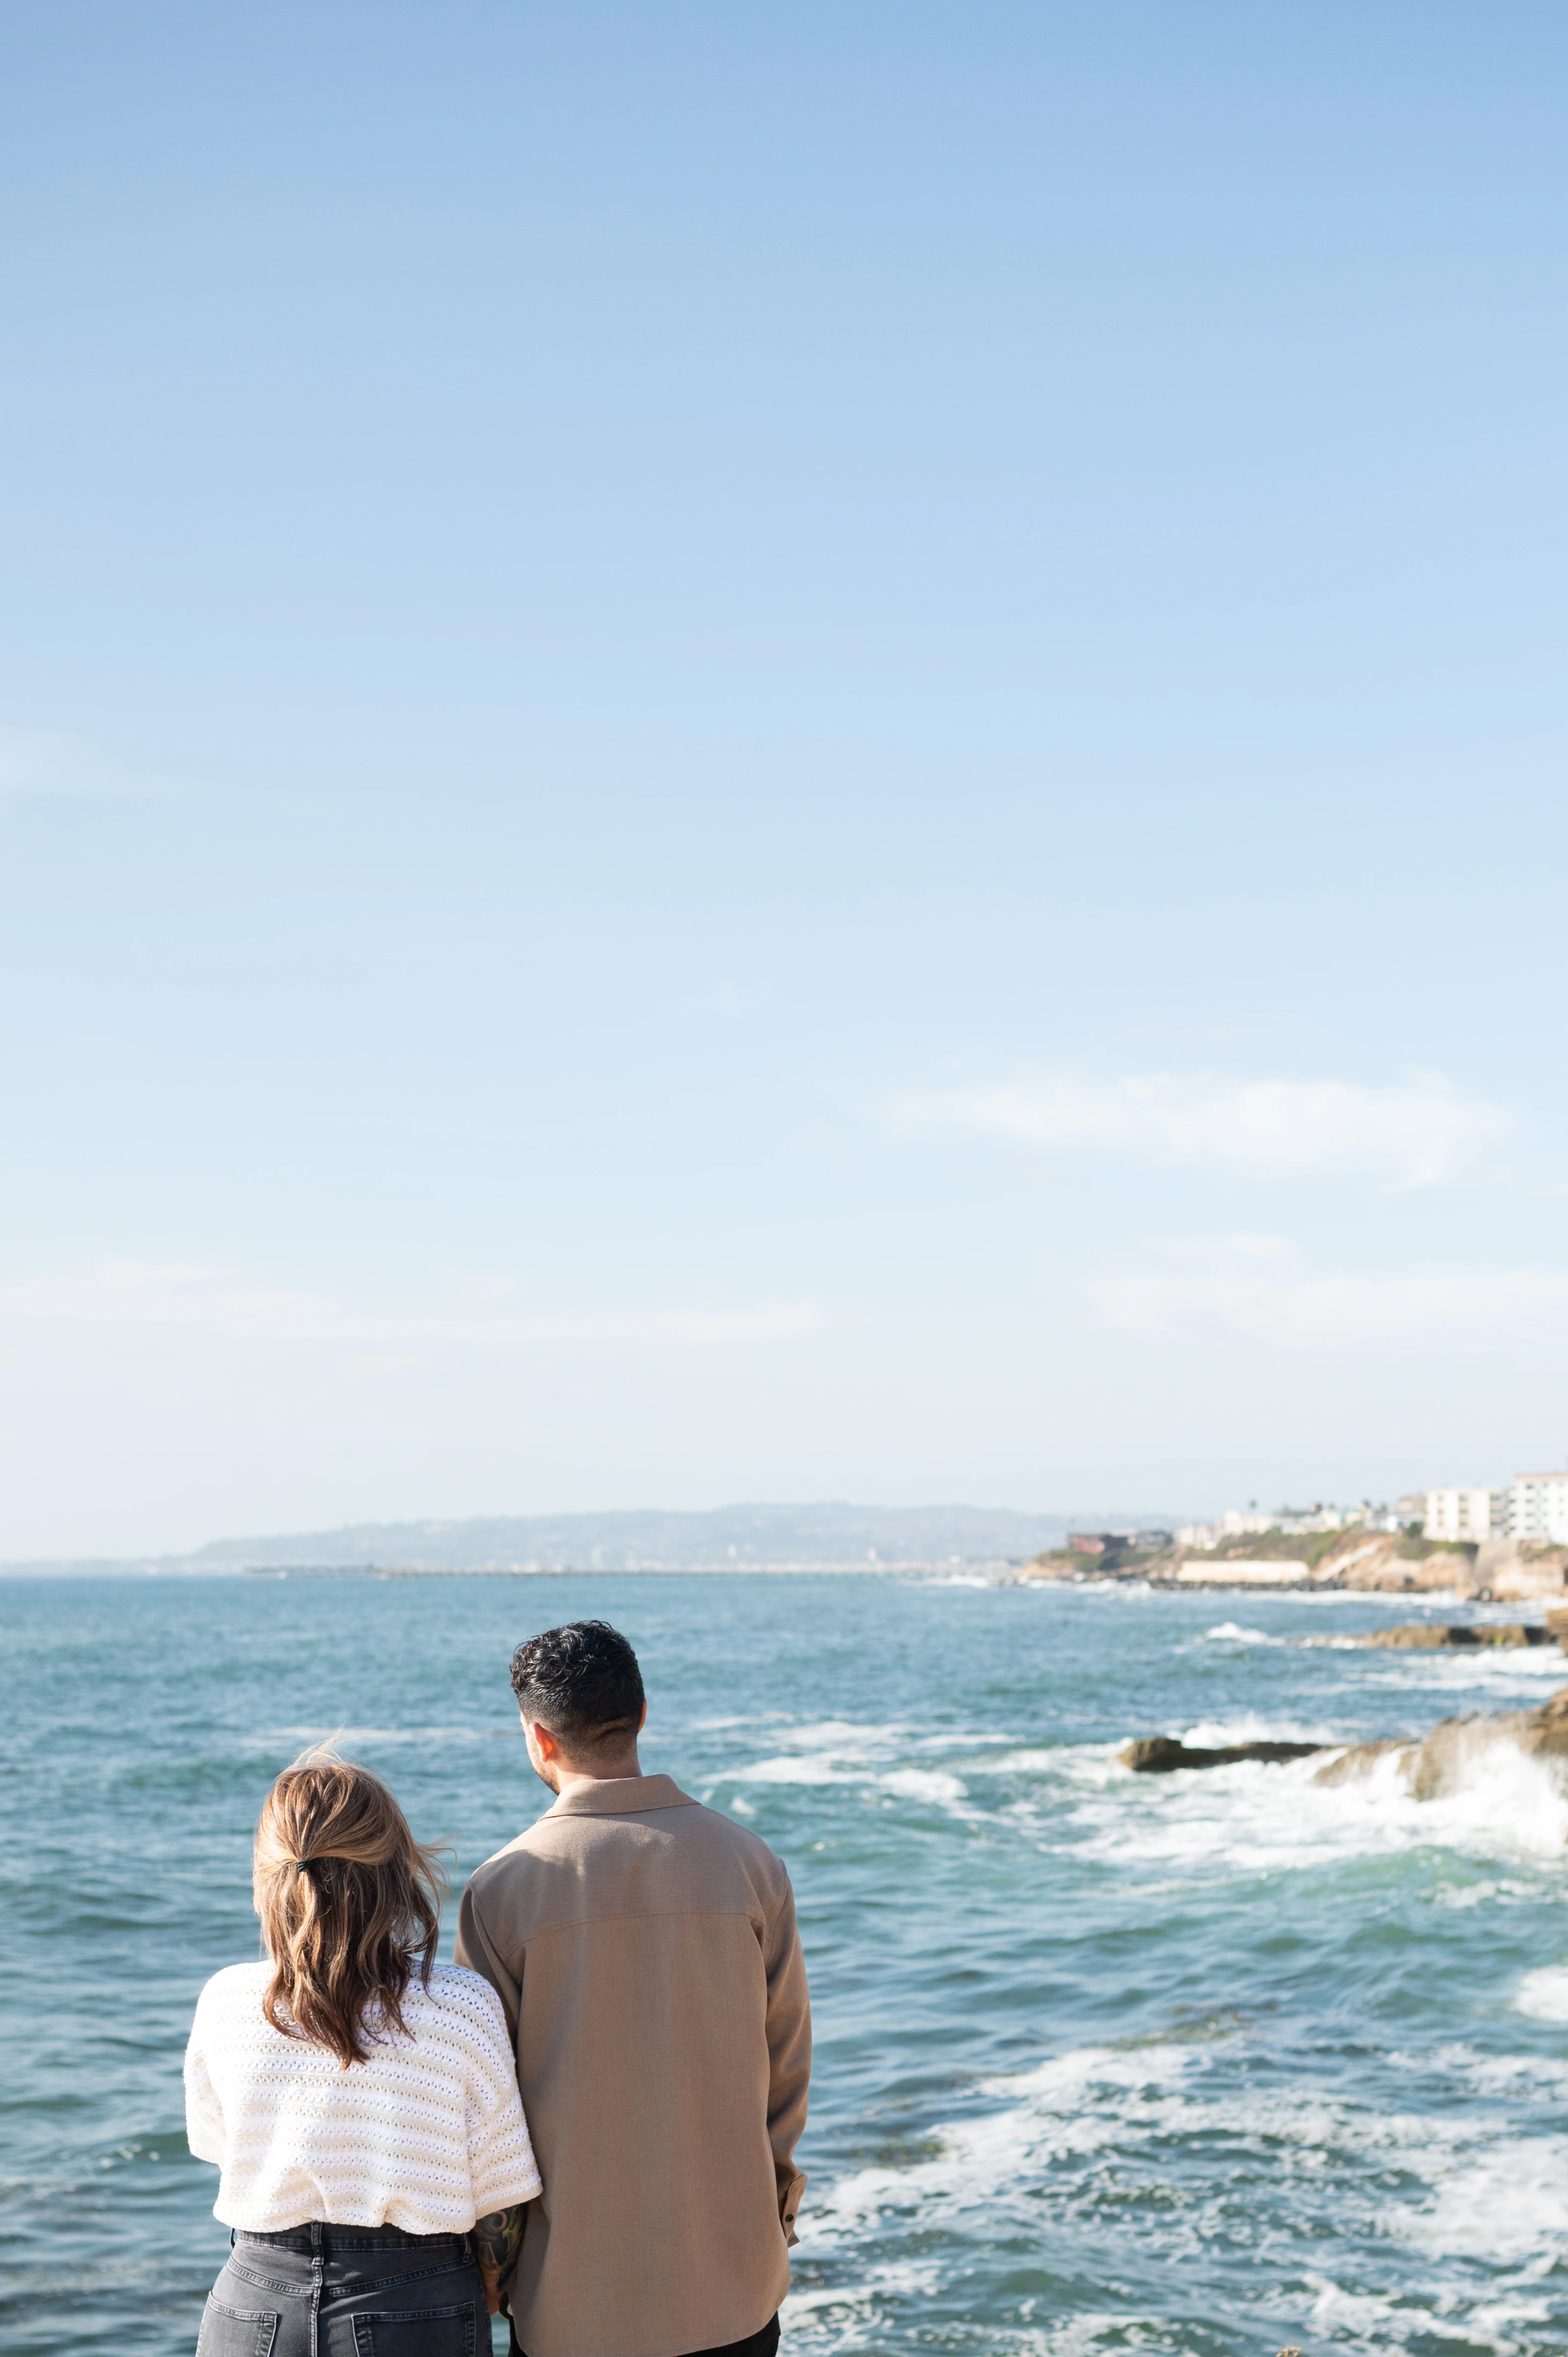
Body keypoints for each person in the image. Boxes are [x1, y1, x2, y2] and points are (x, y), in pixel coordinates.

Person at [455, 1619, 810, 2357]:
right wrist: (774, 2218)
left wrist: (495, 2270)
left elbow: (485, 2113)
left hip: (572, 2308)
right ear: (643, 1713)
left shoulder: (502, 1890)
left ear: (539, 1737)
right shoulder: (752, 1864)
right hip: (734, 2290)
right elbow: (787, 2072)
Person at [184, 1750, 543, 2354]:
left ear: (268, 1877)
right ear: (395, 1869)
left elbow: (219, 2145)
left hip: (253, 2296)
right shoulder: (459, 2004)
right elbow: (498, 2188)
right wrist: (486, 2281)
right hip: (416, 2299)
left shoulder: (225, 1999)